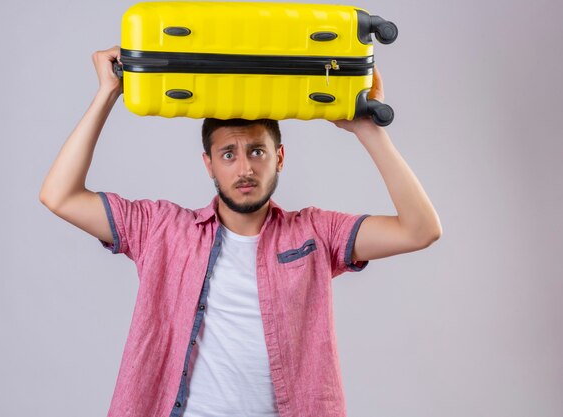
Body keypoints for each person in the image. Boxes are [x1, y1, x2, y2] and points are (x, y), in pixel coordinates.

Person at [39, 45, 442, 417]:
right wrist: (106, 95)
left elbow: (419, 230)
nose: (245, 169)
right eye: (228, 154)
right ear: (209, 164)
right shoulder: (161, 230)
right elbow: (60, 196)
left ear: (279, 158)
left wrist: (369, 129)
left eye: (257, 151)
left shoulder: (316, 233)